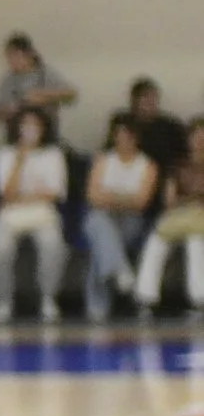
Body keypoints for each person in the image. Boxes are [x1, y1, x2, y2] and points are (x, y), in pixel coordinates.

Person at [0, 107, 71, 324]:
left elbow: (55, 193)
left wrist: (22, 196)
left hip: (43, 213)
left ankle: (48, 299)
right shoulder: (6, 154)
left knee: (52, 245)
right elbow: (5, 194)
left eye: (35, 125)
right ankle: (3, 301)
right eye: (25, 125)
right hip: (10, 214)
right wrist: (19, 160)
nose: (30, 130)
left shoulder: (54, 154)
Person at [82, 115, 156, 321]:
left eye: (128, 135)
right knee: (98, 223)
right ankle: (121, 271)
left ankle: (98, 306)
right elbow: (92, 197)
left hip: (131, 221)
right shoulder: (103, 160)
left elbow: (141, 202)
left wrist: (111, 196)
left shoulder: (147, 165)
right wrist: (123, 198)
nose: (123, 139)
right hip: (101, 216)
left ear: (136, 138)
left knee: (101, 241)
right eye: (119, 135)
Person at [134, 118, 204, 317]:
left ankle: (199, 300)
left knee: (196, 242)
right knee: (157, 240)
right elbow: (169, 200)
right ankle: (145, 298)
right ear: (188, 139)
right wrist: (192, 200)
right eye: (196, 136)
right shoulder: (177, 164)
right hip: (180, 215)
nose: (200, 140)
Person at [0, 33, 77, 135]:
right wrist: (12, 109)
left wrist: (44, 96)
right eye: (8, 56)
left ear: (29, 54)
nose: (11, 61)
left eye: (15, 55)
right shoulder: (8, 79)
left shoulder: (45, 73)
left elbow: (72, 95)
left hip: (46, 136)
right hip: (17, 137)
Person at [129, 78, 188, 204]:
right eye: (145, 97)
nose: (151, 101)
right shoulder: (125, 124)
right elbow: (109, 153)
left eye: (154, 97)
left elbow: (184, 156)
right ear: (134, 100)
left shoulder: (172, 125)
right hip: (131, 179)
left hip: (165, 181)